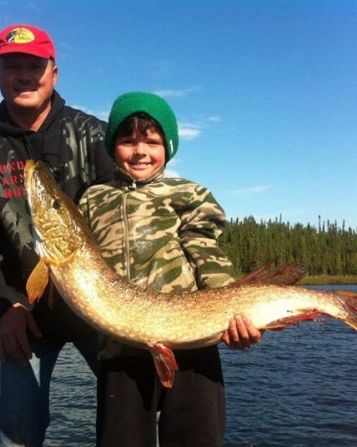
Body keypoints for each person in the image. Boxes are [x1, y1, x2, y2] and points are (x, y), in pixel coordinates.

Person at [0, 24, 115, 447]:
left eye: (34, 65)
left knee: (134, 415)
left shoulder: (94, 135)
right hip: (27, 313)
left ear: (54, 74)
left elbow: (126, 218)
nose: (24, 75)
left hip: (103, 307)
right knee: (17, 435)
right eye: (11, 65)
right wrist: (6, 308)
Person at [77, 92, 262, 447]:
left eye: (152, 141)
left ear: (169, 146)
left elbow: (205, 251)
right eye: (128, 141)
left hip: (193, 347)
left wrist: (236, 311)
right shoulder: (92, 198)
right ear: (113, 145)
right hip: (121, 350)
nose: (140, 151)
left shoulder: (189, 193)